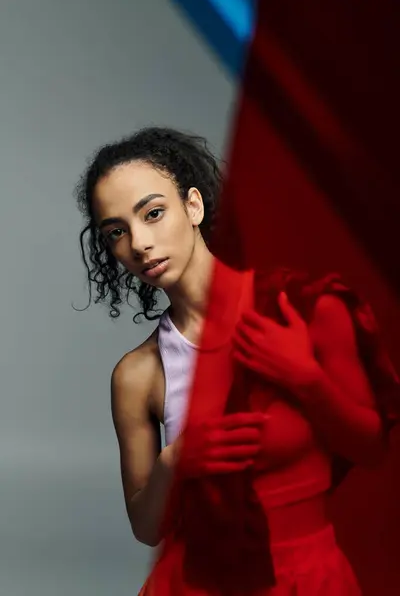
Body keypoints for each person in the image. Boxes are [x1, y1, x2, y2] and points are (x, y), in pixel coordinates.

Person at [75, 126, 398, 594]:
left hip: (307, 579)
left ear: (193, 206)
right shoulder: (138, 374)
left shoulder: (304, 310)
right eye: (117, 232)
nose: (139, 243)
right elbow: (147, 528)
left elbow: (372, 449)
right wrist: (178, 460)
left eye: (154, 213)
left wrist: (306, 379)